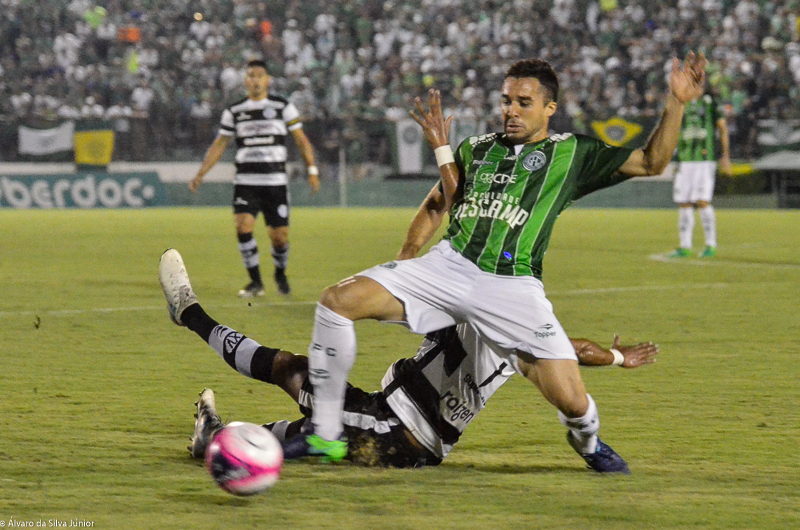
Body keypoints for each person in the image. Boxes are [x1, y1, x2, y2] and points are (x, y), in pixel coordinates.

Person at [293, 52, 707, 472]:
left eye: (524, 102)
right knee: (336, 301)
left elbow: (652, 162)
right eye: (507, 100)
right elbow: (438, 204)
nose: (511, 110)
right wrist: (405, 262)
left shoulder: (572, 153)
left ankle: (588, 442)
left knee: (572, 401)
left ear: (550, 107)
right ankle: (325, 433)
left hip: (511, 286)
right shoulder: (476, 149)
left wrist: (677, 102)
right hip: (449, 265)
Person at [157, 249, 657, 468]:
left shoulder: (477, 307)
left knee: (294, 376)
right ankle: (214, 438)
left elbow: (572, 352)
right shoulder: (517, 331)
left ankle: (191, 316)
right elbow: (575, 350)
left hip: (401, 434)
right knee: (299, 408)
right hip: (393, 421)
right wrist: (616, 357)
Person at [189, 59, 320, 297]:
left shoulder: (282, 106)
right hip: (246, 182)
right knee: (243, 226)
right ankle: (255, 282)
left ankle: (280, 273)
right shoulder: (235, 110)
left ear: (268, 80)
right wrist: (201, 174)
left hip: (275, 183)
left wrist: (312, 170)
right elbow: (220, 144)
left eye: (260, 75)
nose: (256, 80)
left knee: (279, 238)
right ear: (245, 81)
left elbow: (301, 141)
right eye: (251, 75)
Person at [669, 91, 732, 258]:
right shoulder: (681, 104)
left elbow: (722, 127)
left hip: (705, 161)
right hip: (685, 160)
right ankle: (685, 246)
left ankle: (711, 244)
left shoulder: (710, 103)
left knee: (702, 201)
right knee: (684, 202)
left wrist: (725, 155)